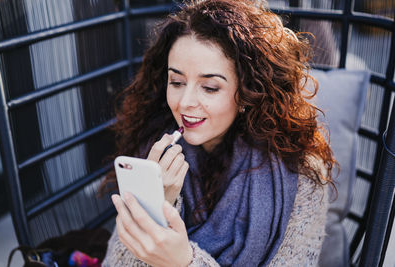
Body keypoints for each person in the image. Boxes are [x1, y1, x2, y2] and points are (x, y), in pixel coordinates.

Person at [100, 0, 336, 266]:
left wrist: (185, 261)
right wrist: (156, 206)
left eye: (210, 87)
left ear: (248, 92)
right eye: (176, 82)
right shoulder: (153, 152)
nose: (184, 102)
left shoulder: (301, 175)